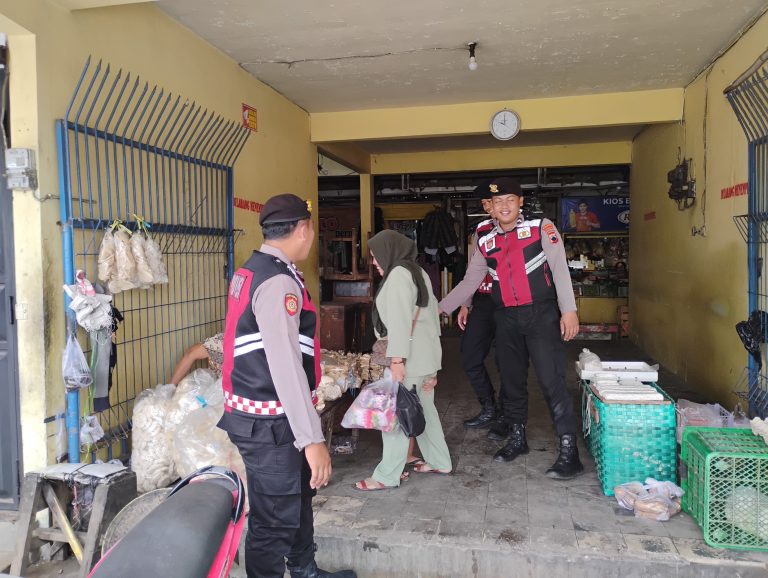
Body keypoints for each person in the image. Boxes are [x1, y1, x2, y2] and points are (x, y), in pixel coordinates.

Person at [217, 193, 356, 578]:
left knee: (296, 501)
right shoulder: (278, 282)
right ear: (303, 229)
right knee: (274, 519)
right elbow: (285, 366)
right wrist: (312, 439)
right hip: (270, 424)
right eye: (310, 228)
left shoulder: (256, 269)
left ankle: (304, 570)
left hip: (268, 417)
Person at [439, 178, 584, 480]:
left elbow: (559, 269)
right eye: (498, 201)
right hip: (506, 317)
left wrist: (569, 310)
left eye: (509, 199)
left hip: (541, 315)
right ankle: (518, 438)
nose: (504, 206)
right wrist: (437, 310)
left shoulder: (541, 228)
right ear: (490, 208)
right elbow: (470, 281)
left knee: (552, 381)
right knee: (512, 381)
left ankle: (569, 450)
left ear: (520, 202)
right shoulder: (485, 239)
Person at [355, 230, 452, 490]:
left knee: (396, 416)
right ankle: (440, 461)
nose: (374, 262)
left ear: (389, 251)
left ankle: (387, 476)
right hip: (425, 359)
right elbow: (432, 320)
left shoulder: (398, 274)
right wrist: (435, 366)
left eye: (376, 256)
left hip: (406, 361)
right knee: (426, 411)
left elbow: (399, 322)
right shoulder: (418, 272)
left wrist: (396, 361)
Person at [459, 182, 505, 431]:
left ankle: (508, 415)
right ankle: (489, 407)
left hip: (510, 303)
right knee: (470, 356)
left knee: (508, 361)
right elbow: (472, 269)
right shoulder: (482, 229)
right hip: (484, 301)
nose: (488, 207)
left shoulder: (525, 228)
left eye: (491, 201)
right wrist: (465, 303)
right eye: (485, 203)